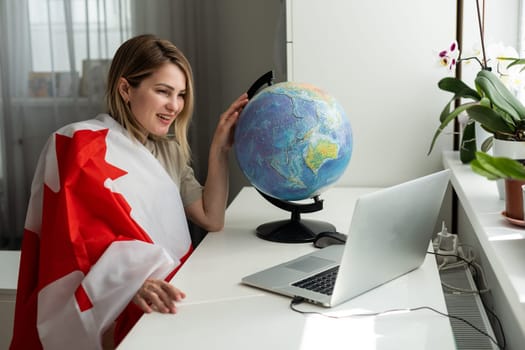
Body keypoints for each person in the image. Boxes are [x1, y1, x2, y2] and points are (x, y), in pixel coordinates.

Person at [10, 34, 248, 350]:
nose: (174, 106)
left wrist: (219, 148)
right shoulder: (78, 145)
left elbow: (211, 217)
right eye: (163, 91)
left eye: (180, 95)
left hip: (168, 299)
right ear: (125, 89)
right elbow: (70, 240)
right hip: (113, 303)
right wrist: (130, 280)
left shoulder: (169, 151)